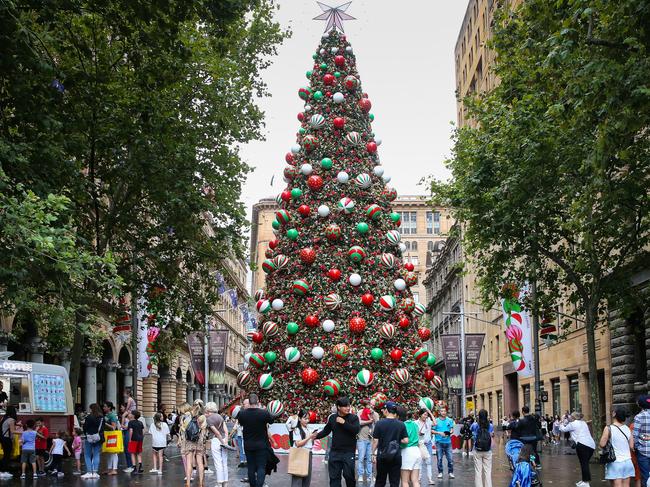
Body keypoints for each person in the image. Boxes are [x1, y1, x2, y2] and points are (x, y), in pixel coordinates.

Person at [314, 396, 360, 487]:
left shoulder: (353, 418)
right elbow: (326, 431)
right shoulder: (332, 418)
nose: (348, 408)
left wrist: (344, 423)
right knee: (334, 478)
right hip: (335, 453)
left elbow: (356, 430)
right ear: (338, 407)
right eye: (345, 406)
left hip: (348, 452)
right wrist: (315, 436)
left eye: (349, 406)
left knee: (349, 476)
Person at [237, 394, 274, 487]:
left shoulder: (242, 413)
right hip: (261, 445)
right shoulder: (264, 413)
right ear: (258, 401)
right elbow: (271, 420)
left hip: (248, 445)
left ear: (249, 402)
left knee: (251, 467)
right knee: (261, 467)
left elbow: (240, 422)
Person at [371, 401, 408, 487]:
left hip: (382, 455)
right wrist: (397, 439)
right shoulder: (401, 424)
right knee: (394, 482)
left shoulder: (379, 423)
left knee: (380, 481)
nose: (383, 411)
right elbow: (406, 440)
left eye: (383, 409)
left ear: (386, 410)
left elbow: (375, 441)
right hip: (396, 456)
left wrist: (373, 453)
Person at [599, 406, 635, 486]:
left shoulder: (608, 428)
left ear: (614, 414)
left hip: (615, 462)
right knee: (626, 485)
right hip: (628, 461)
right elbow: (631, 446)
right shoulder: (627, 428)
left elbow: (602, 444)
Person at [559, 411, 595, 487]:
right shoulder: (583, 423)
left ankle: (586, 482)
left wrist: (562, 420)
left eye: (570, 417)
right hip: (591, 445)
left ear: (573, 417)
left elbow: (562, 429)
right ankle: (584, 480)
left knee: (584, 463)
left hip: (582, 445)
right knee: (584, 463)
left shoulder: (573, 424)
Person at [180, 400, 208, 487]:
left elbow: (183, 429)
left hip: (189, 441)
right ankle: (201, 483)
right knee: (200, 462)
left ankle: (188, 483)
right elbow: (205, 431)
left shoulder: (188, 416)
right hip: (199, 440)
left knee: (189, 462)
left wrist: (181, 426)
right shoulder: (203, 417)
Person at [205, 402, 229, 486]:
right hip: (224, 439)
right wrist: (225, 441)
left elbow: (217, 433)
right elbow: (226, 431)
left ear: (208, 409)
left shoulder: (208, 419)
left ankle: (219, 483)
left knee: (218, 462)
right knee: (224, 462)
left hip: (216, 441)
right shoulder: (220, 416)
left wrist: (222, 442)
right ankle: (225, 483)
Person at [398, 406, 421, 487]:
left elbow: (404, 441)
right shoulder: (415, 424)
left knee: (405, 481)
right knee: (415, 480)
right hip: (417, 451)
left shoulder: (402, 425)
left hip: (407, 452)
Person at [290, 409, 314, 487]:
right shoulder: (296, 429)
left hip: (308, 454)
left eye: (308, 419)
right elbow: (298, 444)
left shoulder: (308, 429)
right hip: (300, 454)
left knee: (307, 478)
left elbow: (310, 443)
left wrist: (313, 437)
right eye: (305, 418)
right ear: (299, 419)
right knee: (298, 478)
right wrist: (309, 437)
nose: (307, 420)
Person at [357, 399, 378, 483]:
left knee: (370, 459)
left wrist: (372, 414)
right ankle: (360, 475)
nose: (371, 406)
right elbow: (359, 422)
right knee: (361, 458)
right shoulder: (360, 412)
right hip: (361, 438)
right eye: (370, 404)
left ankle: (370, 475)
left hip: (371, 439)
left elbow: (377, 423)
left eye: (373, 405)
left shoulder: (375, 414)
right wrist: (369, 421)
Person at [471, 409, 494, 487]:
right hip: (488, 450)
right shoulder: (490, 425)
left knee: (478, 471)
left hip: (477, 449)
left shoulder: (475, 425)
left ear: (479, 416)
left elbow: (471, 432)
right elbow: (491, 435)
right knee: (488, 471)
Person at [81, 403, 104, 479]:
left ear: (92, 409)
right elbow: (102, 428)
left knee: (87, 454)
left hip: (89, 437)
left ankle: (89, 472)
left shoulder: (89, 417)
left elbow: (85, 427)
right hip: (98, 437)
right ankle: (95, 472)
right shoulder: (101, 417)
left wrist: (86, 433)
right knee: (96, 454)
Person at [432, 407, 455, 479]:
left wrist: (451, 432)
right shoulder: (436, 421)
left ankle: (450, 472)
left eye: (444, 411)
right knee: (439, 459)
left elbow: (451, 429)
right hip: (439, 442)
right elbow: (432, 430)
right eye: (442, 411)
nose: (443, 412)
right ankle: (440, 472)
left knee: (450, 459)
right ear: (439, 412)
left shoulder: (450, 420)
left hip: (448, 442)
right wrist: (439, 433)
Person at [633, 395, 650, 487]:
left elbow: (635, 435)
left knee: (645, 476)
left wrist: (636, 447)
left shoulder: (639, 417)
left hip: (643, 451)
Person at [416, 408, 435, 485]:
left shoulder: (428, 421)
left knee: (429, 462)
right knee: (419, 462)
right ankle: (419, 478)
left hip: (428, 444)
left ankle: (430, 479)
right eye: (424, 414)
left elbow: (435, 423)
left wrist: (430, 413)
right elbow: (414, 433)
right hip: (420, 444)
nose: (426, 416)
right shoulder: (416, 423)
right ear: (420, 415)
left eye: (427, 415)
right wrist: (418, 433)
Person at [101, 401, 119, 475]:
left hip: (112, 435)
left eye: (105, 406)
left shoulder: (112, 415)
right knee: (108, 452)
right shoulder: (107, 415)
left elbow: (114, 427)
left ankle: (114, 469)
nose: (103, 408)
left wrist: (104, 423)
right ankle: (109, 469)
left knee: (113, 452)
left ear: (109, 407)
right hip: (108, 435)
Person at [0, 405, 18, 478]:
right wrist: (24, 432)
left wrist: (16, 424)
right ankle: (4, 471)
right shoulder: (12, 420)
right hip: (7, 439)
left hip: (2, 438)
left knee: (5, 455)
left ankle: (2, 470)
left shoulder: (3, 418)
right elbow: (12, 431)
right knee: (7, 455)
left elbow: (5, 425)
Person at [127, 410, 145, 475]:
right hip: (140, 439)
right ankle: (140, 466)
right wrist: (142, 437)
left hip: (133, 439)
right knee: (139, 453)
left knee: (132, 453)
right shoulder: (140, 422)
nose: (130, 414)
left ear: (133, 415)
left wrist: (129, 439)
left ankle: (134, 467)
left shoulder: (130, 422)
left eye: (131, 413)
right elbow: (143, 431)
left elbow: (131, 431)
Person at [119, 404, 134, 472]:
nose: (120, 408)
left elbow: (126, 426)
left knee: (128, 450)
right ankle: (130, 466)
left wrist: (123, 416)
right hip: (126, 433)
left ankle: (130, 466)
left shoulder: (130, 415)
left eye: (121, 407)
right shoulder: (125, 415)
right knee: (127, 450)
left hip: (128, 433)